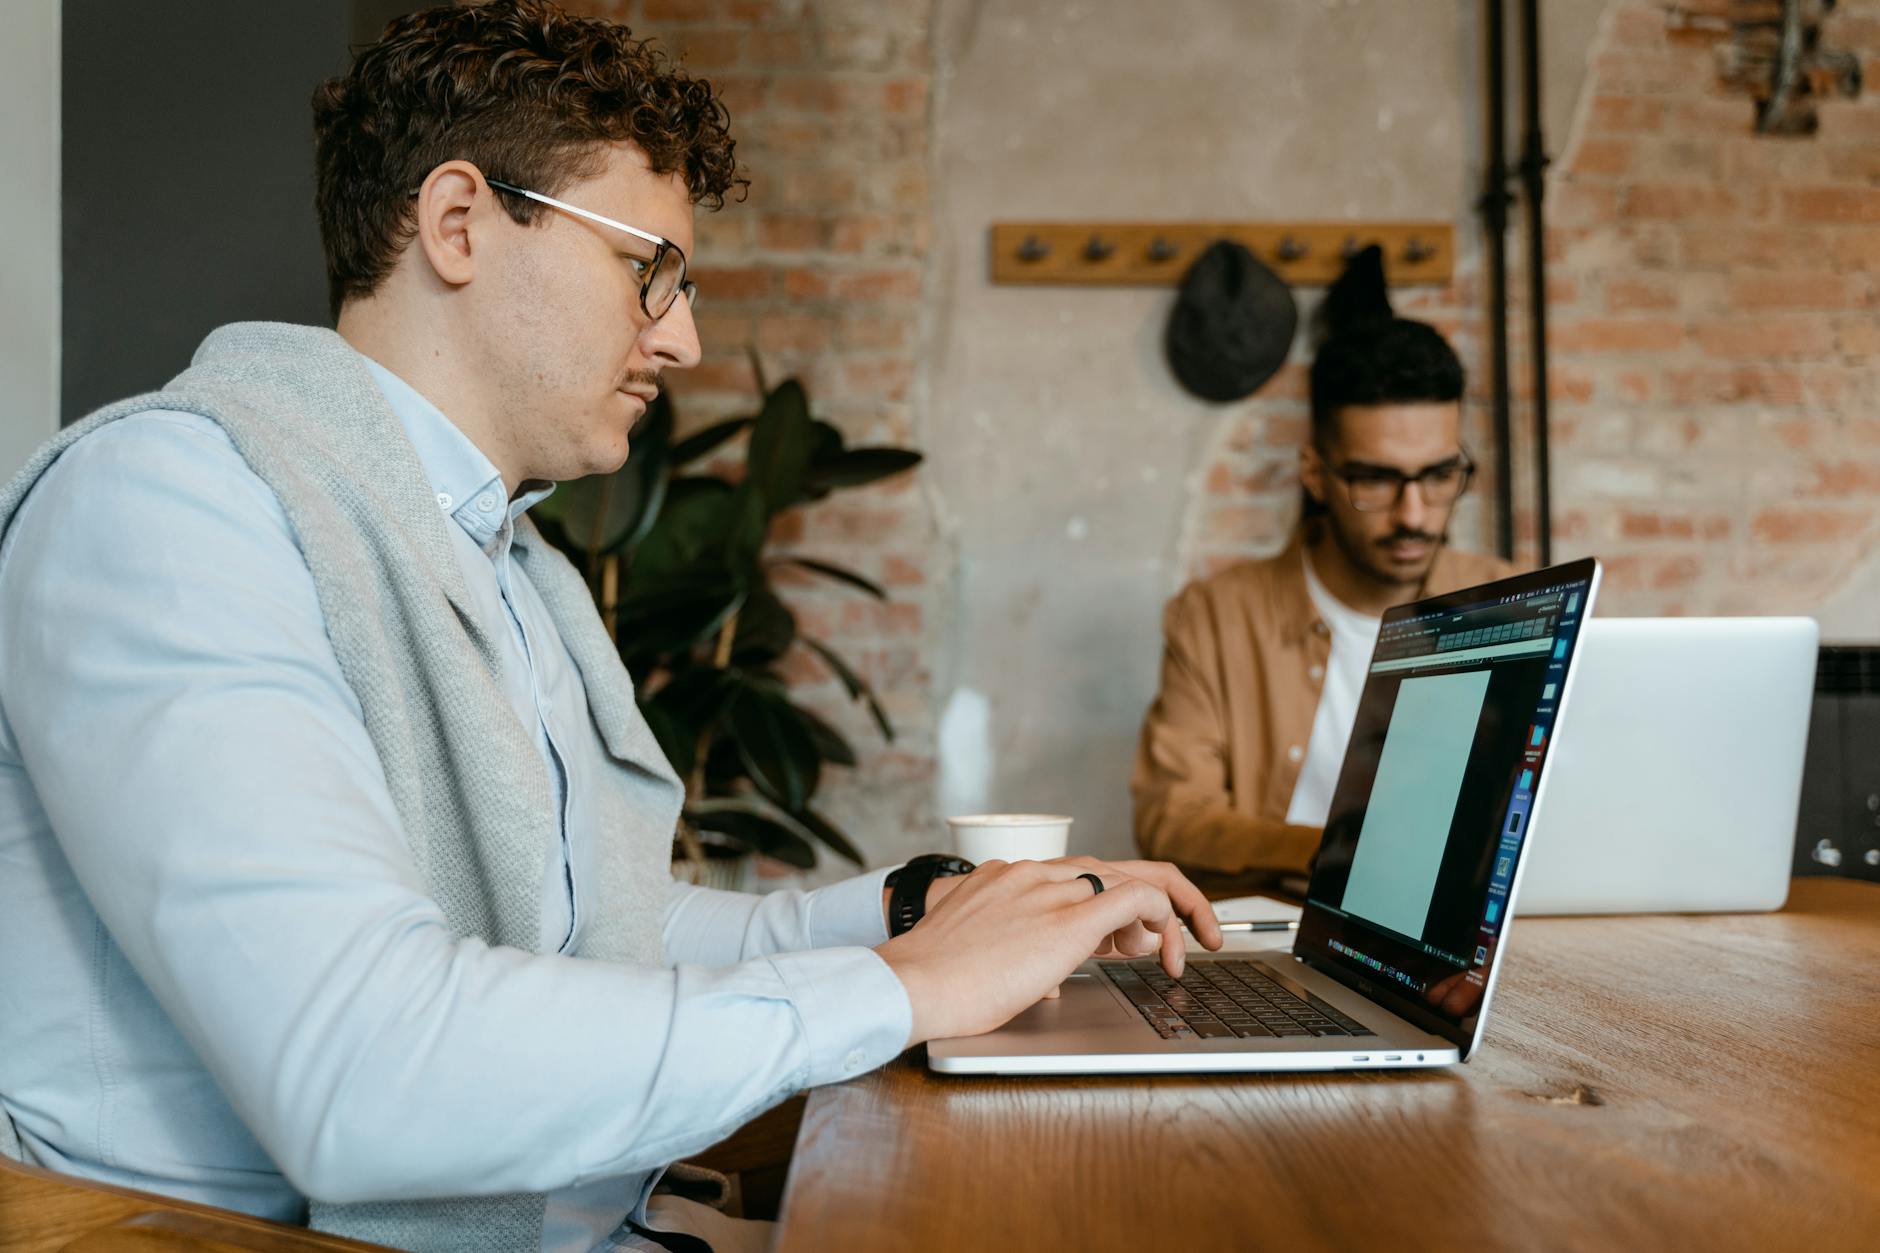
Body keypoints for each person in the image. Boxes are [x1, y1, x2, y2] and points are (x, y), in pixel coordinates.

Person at [0, 5, 1220, 1252]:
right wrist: (902, 988)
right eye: (651, 268)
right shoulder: (168, 507)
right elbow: (357, 1066)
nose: (680, 335)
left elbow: (612, 928)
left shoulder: (508, 561)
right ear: (459, 223)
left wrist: (920, 913)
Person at [1132, 254, 1517, 890]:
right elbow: (1171, 818)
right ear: (1316, 474)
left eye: (1440, 476)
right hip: (1271, 941)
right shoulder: (1216, 615)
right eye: (1375, 479)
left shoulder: (1507, 604)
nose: (1414, 515)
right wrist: (1340, 851)